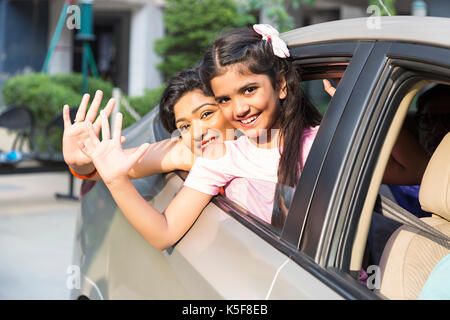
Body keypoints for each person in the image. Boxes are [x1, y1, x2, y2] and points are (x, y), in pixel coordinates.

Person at [77, 24, 321, 250]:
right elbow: (164, 233)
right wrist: (116, 181)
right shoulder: (220, 158)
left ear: (280, 85)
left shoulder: (323, 141)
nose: (239, 109)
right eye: (225, 99)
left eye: (249, 90)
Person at [63, 68, 234, 182]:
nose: (198, 133)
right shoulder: (190, 152)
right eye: (184, 126)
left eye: (206, 114)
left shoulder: (259, 141)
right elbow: (119, 163)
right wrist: (83, 160)